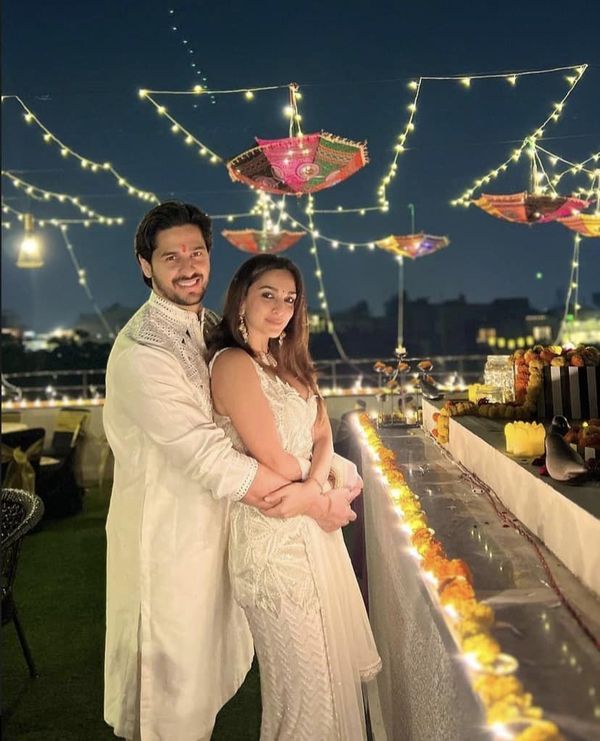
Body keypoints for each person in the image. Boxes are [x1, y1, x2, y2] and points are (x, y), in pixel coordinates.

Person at [103, 202, 358, 741]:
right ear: (145, 265)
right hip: (170, 536)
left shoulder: (216, 328)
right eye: (171, 256)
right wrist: (314, 500)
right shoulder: (141, 351)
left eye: (196, 251)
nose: (188, 264)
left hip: (233, 525)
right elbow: (207, 455)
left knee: (214, 674)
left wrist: (328, 466)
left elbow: (269, 417)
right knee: (172, 689)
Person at [207, 254, 382, 741]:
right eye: (268, 295)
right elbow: (272, 455)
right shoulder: (233, 363)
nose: (281, 308)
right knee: (303, 692)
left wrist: (313, 490)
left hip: (305, 525)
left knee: (328, 678)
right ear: (241, 297)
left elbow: (324, 433)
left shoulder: (288, 365)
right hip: (271, 541)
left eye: (290, 299)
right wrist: (320, 497)